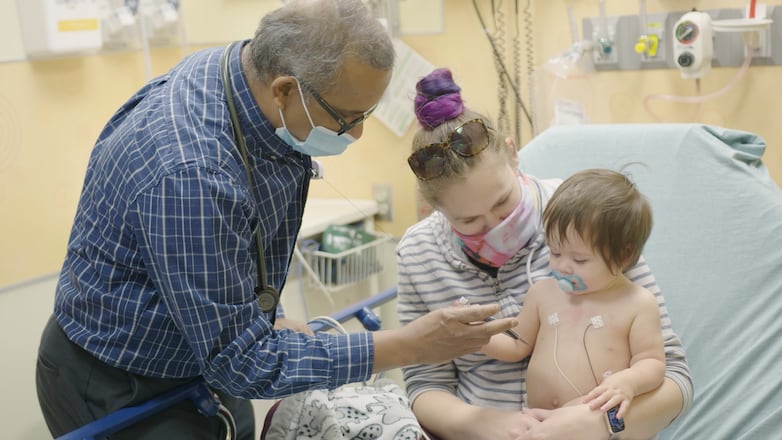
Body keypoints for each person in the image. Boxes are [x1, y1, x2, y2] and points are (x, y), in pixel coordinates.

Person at [35, 3, 516, 439]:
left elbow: (237, 247)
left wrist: (267, 316)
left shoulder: (241, 75)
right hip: (121, 378)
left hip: (205, 360)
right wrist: (406, 347)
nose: (359, 132)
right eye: (347, 118)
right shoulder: (192, 173)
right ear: (284, 89)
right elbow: (239, 361)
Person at [397, 67, 693, 440]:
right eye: (469, 220)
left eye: (503, 204)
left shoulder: (583, 219)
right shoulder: (418, 254)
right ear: (433, 208)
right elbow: (425, 384)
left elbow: (673, 377)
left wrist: (600, 425)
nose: (496, 226)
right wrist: (482, 423)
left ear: (512, 154)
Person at [479, 168, 666, 427]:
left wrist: (628, 383)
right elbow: (517, 345)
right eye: (555, 252)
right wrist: (479, 335)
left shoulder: (637, 304)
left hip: (591, 427)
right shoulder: (543, 293)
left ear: (623, 256)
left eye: (579, 259)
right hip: (537, 423)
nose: (563, 267)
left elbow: (652, 362)